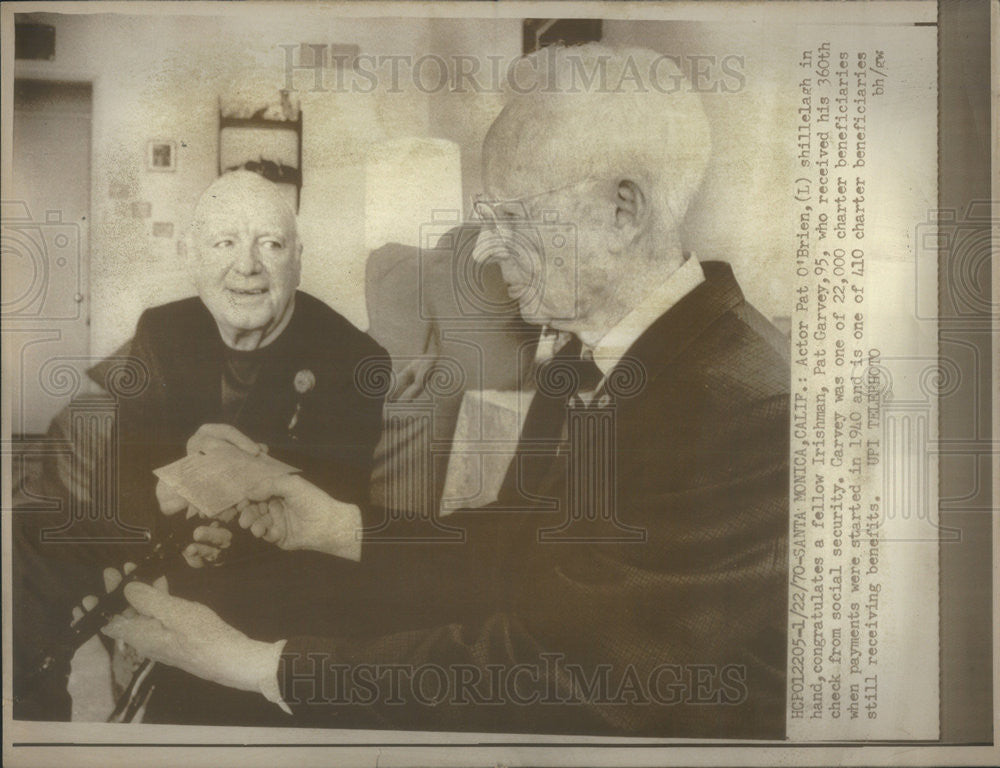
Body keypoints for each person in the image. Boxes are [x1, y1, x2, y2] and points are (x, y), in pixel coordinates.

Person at [100, 44, 789, 738]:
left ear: (622, 211)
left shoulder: (744, 407)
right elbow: (514, 552)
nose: (485, 252)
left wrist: (259, 665)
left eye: (512, 219)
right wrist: (338, 525)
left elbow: (565, 677)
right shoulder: (579, 363)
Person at [90, 170, 388, 725]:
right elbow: (125, 473)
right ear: (193, 257)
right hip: (174, 557)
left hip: (279, 600)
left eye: (270, 244)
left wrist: (228, 536)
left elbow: (336, 509)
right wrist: (169, 513)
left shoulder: (355, 358)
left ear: (299, 257)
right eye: (224, 243)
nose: (247, 266)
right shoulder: (159, 331)